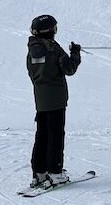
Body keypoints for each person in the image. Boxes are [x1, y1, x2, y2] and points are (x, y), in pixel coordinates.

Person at [27, 14, 82, 189]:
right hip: (57, 99)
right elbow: (69, 69)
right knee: (56, 136)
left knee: (42, 135)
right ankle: (56, 173)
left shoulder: (32, 51)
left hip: (41, 100)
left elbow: (32, 73)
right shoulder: (54, 49)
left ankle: (39, 173)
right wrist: (75, 54)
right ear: (51, 30)